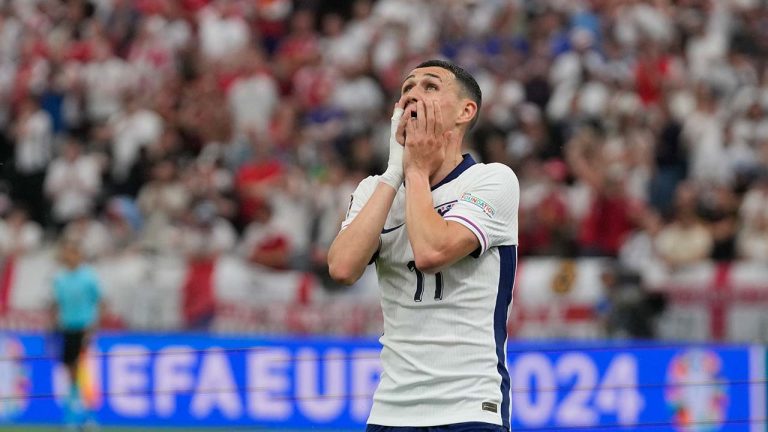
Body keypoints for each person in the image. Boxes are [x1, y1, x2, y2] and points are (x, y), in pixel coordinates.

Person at [328, 60, 519, 431]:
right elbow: (342, 268)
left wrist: (415, 171)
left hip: (469, 405)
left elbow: (432, 253)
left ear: (466, 112)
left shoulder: (492, 181)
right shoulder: (375, 190)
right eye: (406, 90)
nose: (413, 94)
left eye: (430, 87)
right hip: (391, 409)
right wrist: (394, 173)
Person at [51, 242, 103, 430]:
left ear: (79, 255)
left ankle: (90, 418)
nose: (70, 257)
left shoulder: (88, 277)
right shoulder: (59, 278)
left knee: (85, 373)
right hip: (67, 329)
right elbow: (56, 305)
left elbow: (100, 302)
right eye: (67, 253)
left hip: (84, 329)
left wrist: (94, 327)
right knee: (71, 373)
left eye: (73, 253)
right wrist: (53, 327)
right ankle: (71, 417)